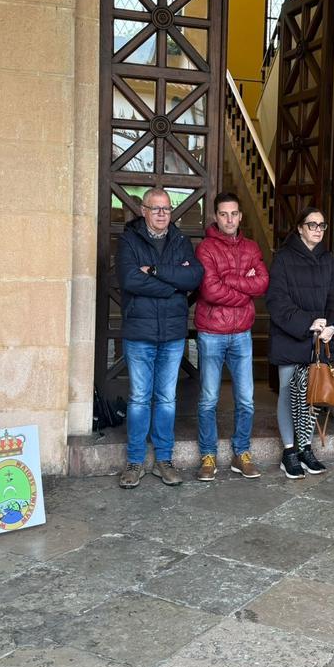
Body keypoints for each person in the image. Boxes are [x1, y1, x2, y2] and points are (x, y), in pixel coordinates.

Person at [115, 188, 204, 489]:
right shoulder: (128, 240)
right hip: (139, 333)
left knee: (166, 399)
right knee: (140, 398)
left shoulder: (180, 241)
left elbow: (193, 278)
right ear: (143, 210)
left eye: (166, 208)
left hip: (172, 333)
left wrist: (153, 271)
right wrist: (171, 285)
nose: (162, 214)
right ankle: (135, 462)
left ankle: (163, 460)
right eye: (156, 209)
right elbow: (129, 279)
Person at [194, 192, 269, 481]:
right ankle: (208, 455)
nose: (229, 219)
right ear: (215, 216)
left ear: (240, 216)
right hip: (212, 332)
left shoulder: (251, 247)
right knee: (209, 399)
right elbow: (209, 290)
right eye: (223, 214)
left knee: (246, 399)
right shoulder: (206, 249)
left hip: (241, 334)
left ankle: (242, 452)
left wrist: (231, 281)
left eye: (234, 214)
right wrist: (244, 289)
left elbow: (261, 283)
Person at [266, 206, 334, 479]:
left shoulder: (327, 259)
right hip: (292, 336)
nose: (317, 230)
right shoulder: (284, 258)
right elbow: (277, 301)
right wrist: (308, 322)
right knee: (289, 394)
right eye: (311, 225)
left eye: (321, 225)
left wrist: (333, 327)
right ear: (299, 227)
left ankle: (305, 448)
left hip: (319, 340)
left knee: (311, 395)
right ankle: (289, 451)